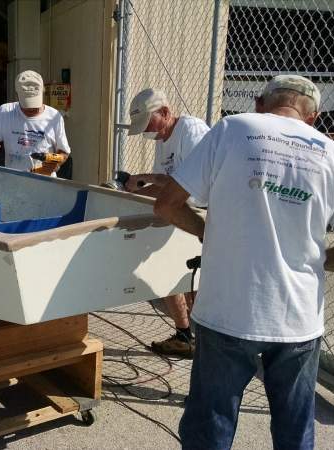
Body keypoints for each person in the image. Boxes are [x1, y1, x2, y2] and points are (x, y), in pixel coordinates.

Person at [153, 75, 334, 449]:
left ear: (260, 103)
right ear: (313, 118)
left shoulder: (233, 129)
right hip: (297, 318)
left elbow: (166, 205)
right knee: (294, 430)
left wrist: (208, 233)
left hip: (227, 311)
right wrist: (313, 259)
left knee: (209, 426)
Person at [125, 88, 210, 358]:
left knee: (194, 281)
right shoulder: (164, 139)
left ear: (165, 112)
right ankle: (185, 335)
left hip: (203, 213)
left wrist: (146, 178)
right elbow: (165, 186)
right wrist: (133, 190)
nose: (149, 133)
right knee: (165, 272)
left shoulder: (191, 131)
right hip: (180, 210)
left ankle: (204, 340)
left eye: (149, 125)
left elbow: (195, 184)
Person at [0, 70, 70, 176]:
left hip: (44, 184)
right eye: (27, 103)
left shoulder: (54, 117)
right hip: (13, 184)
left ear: (43, 91)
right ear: (17, 94)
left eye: (34, 102)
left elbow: (64, 152)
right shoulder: (4, 112)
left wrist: (56, 163)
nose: (31, 109)